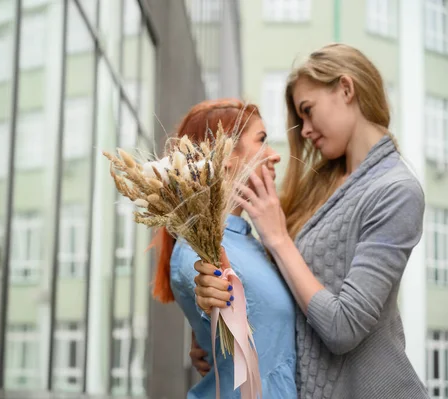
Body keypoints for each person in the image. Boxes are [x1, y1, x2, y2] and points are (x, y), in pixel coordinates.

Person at [192, 43, 429, 398]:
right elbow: (278, 290)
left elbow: (343, 326)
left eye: (308, 110)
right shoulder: (318, 185)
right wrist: (220, 330)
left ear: (346, 89)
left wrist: (279, 239)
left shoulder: (396, 191)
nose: (303, 131)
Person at [152, 99, 298, 399]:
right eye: (262, 141)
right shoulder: (200, 250)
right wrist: (208, 297)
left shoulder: (247, 240)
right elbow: (206, 284)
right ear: (226, 156)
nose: (274, 156)